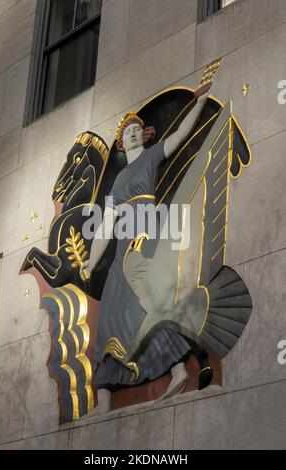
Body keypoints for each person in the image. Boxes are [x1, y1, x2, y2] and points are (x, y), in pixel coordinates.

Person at [81, 83, 212, 413]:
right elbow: (105, 227)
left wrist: (200, 100)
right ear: (121, 144)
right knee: (109, 320)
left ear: (146, 135)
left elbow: (181, 133)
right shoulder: (118, 181)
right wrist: (89, 263)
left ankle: (179, 369)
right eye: (126, 134)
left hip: (145, 241)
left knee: (146, 310)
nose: (132, 136)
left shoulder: (153, 157)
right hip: (122, 254)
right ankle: (105, 398)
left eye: (137, 130)